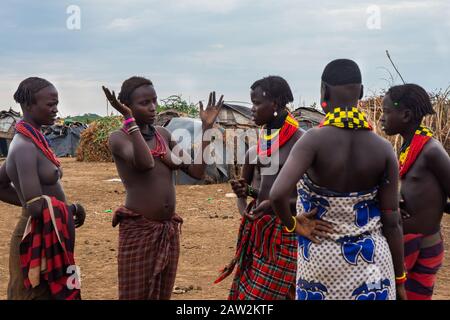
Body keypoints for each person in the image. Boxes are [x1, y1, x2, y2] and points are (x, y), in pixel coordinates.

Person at [270, 59, 407, 300]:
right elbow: (392, 221)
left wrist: (294, 224)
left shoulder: (312, 141)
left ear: (324, 91)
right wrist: (400, 281)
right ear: (361, 92)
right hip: (373, 265)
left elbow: (277, 194)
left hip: (323, 264)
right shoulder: (383, 149)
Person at [102, 76, 223, 300]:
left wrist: (206, 130)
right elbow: (146, 162)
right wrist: (129, 121)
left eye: (154, 101)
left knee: (161, 295)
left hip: (167, 231)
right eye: (144, 103)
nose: (152, 107)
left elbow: (196, 172)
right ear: (127, 106)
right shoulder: (118, 138)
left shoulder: (163, 135)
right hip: (139, 231)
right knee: (135, 295)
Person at [215, 75, 312, 300]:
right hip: (259, 233)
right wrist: (244, 200)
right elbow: (250, 193)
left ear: (275, 105)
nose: (252, 109)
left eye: (257, 103)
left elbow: (312, 195)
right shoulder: (258, 147)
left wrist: (275, 205)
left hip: (288, 230)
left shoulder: (303, 143)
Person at [0, 77, 85, 300]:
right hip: (34, 234)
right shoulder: (24, 147)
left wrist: (27, 200)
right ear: (28, 105)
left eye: (56, 103)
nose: (56, 109)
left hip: (48, 232)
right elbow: (37, 207)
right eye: (50, 104)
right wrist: (71, 208)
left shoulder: (34, 140)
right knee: (34, 294)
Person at [381, 84, 450, 300]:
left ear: (406, 115)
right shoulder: (409, 147)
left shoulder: (431, 150)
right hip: (406, 242)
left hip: (423, 245)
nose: (381, 118)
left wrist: (432, 210)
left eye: (386, 111)